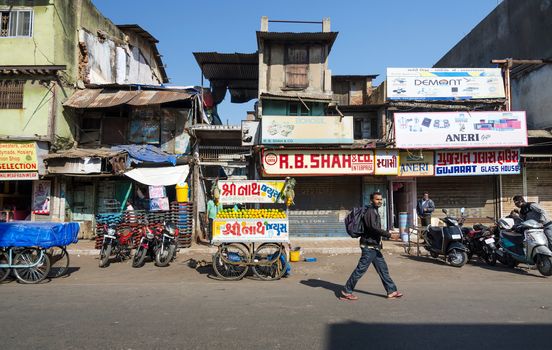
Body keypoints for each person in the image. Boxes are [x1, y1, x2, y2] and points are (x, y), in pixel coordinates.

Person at [341, 192, 403, 301]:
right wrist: (389, 235)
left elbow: (374, 228)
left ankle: (391, 290)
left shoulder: (375, 211)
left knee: (383, 269)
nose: (379, 201)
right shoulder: (370, 211)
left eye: (380, 199)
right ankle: (347, 291)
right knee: (360, 270)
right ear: (371, 200)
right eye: (377, 199)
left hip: (374, 246)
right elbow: (373, 228)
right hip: (368, 247)